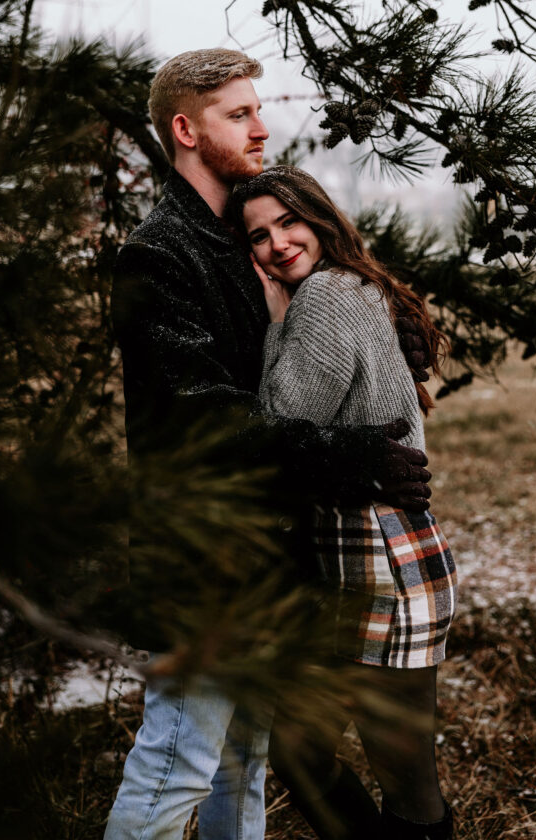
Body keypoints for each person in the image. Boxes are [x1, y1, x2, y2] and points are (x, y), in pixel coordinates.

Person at [104, 48, 437, 840]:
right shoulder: (160, 254)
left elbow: (304, 345)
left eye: (258, 109)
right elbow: (204, 416)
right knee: (176, 764)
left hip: (269, 561)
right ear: (184, 129)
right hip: (202, 561)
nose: (263, 127)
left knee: (242, 764)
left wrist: (384, 344)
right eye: (239, 113)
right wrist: (348, 456)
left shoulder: (242, 243)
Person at [229, 165, 458, 840]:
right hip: (362, 553)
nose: (276, 244)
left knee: (409, 788)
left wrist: (274, 321)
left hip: (379, 558)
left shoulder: (325, 295)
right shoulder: (359, 285)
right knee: (299, 752)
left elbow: (278, 419)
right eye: (258, 235)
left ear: (319, 218)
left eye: (288, 222)